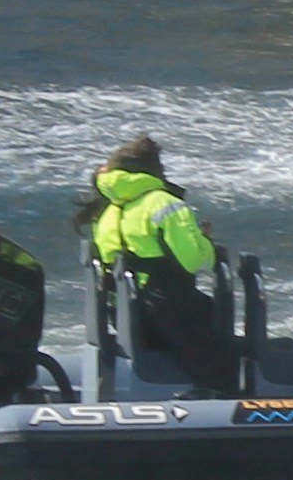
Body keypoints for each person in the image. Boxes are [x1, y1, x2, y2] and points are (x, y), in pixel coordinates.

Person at [91, 134, 241, 396]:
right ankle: (226, 400)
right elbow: (193, 261)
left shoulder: (109, 211)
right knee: (220, 356)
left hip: (123, 311)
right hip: (167, 308)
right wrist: (205, 243)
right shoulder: (164, 203)